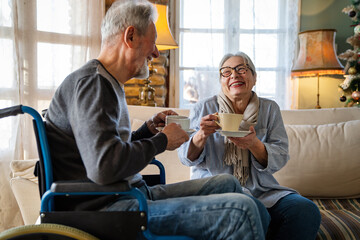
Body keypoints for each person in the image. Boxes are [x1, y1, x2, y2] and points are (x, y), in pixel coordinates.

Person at [44, 1, 270, 239]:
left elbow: (104, 147)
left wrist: (147, 131)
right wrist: (162, 141)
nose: (156, 53)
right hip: (108, 209)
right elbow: (104, 167)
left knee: (227, 183)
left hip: (129, 194)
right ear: (130, 36)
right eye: (153, 42)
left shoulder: (106, 82)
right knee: (241, 211)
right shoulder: (93, 84)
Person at [178, 51, 321, 240]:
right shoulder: (203, 108)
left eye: (241, 69)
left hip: (263, 190)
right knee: (252, 209)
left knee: (305, 210)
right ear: (220, 81)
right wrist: (201, 134)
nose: (234, 76)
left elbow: (280, 156)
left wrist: (254, 144)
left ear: (254, 78)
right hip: (219, 189)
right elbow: (185, 157)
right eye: (226, 72)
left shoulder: (269, 109)